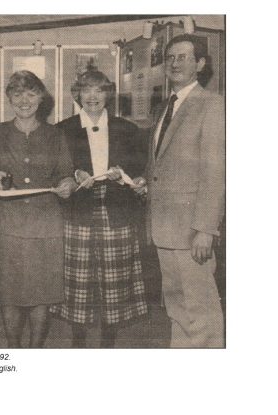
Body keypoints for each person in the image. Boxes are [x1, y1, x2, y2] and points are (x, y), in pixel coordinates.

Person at [50, 70, 148, 348]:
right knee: (78, 285)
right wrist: (73, 173)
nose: (92, 97)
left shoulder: (127, 129)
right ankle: (78, 342)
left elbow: (139, 171)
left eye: (99, 90)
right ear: (77, 94)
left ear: (108, 94)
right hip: (78, 212)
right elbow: (56, 171)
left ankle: (108, 344)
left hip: (116, 212)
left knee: (114, 285)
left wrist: (126, 174)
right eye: (86, 90)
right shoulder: (63, 128)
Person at [0, 71, 76, 348]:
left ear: (41, 98)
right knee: (10, 292)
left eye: (31, 93)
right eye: (18, 94)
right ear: (9, 98)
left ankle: (34, 351)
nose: (25, 100)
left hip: (45, 225)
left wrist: (68, 184)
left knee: (41, 293)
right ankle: (14, 349)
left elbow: (66, 173)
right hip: (8, 222)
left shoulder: (55, 134)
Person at [145, 34, 225, 348]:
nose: (174, 63)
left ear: (200, 64)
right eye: (170, 58)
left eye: (183, 57)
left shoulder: (212, 105)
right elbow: (164, 166)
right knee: (179, 310)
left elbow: (215, 173)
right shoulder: (167, 107)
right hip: (165, 229)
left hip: (192, 232)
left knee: (201, 313)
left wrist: (205, 229)